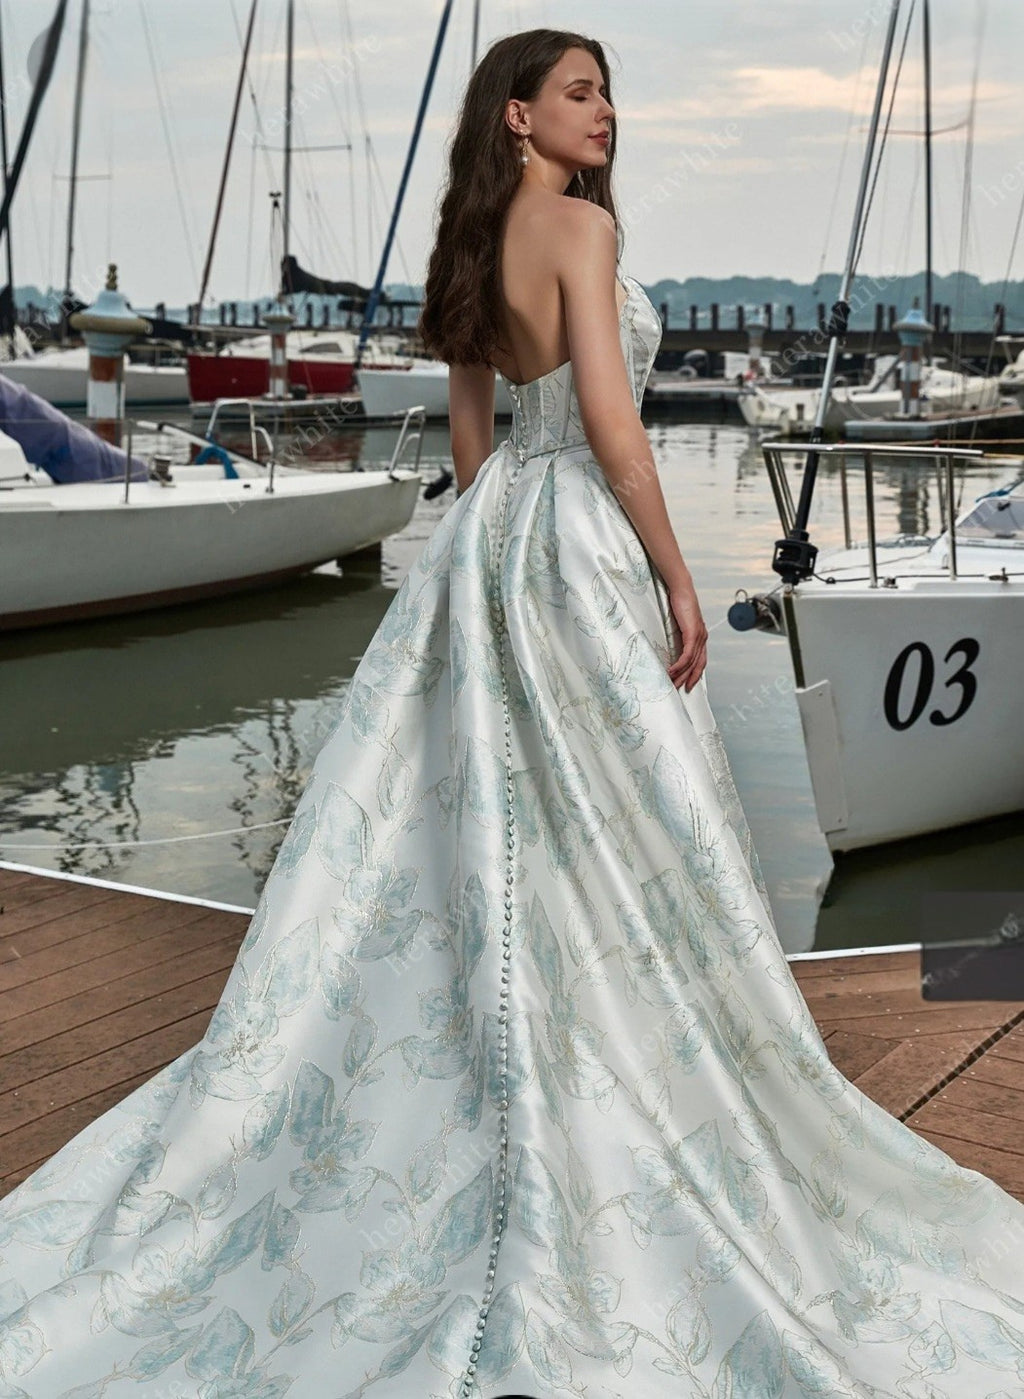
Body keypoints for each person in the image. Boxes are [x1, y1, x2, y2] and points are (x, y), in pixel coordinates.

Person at [2, 26, 1023, 1399]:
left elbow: (475, 428)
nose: (606, 114)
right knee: (625, 824)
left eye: (609, 94)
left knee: (475, 823)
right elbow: (611, 420)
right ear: (519, 121)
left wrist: (487, 547)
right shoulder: (580, 234)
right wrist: (674, 571)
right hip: (585, 543)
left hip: (494, 549)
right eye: (581, 94)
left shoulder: (473, 250)